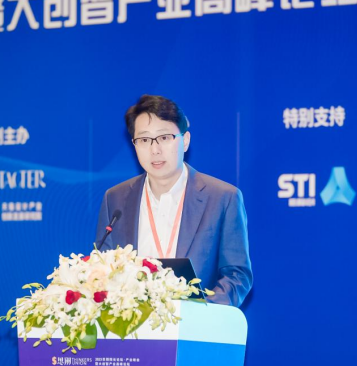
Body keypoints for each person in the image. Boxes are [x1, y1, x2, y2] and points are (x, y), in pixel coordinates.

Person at [96, 94, 252, 307]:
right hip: (133, 325)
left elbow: (236, 275)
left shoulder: (223, 198)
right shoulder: (115, 199)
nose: (155, 150)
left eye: (164, 137)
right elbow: (103, 270)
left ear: (185, 141)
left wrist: (201, 313)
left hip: (196, 324)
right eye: (144, 140)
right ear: (134, 145)